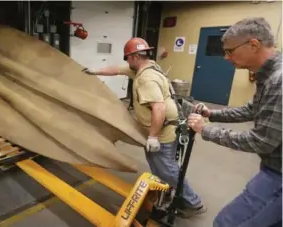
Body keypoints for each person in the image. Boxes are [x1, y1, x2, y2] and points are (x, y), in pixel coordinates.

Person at [83, 37, 206, 218]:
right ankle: (166, 194)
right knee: (161, 167)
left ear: (134, 57)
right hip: (168, 127)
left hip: (163, 132)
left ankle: (192, 202)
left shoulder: (146, 78)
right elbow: (117, 70)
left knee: (166, 169)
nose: (126, 62)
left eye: (127, 58)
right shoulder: (147, 67)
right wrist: (95, 71)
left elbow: (159, 108)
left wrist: (153, 137)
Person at [187, 17, 282, 227]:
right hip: (273, 166)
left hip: (278, 174)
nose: (226, 57)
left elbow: (261, 141)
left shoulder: (279, 80)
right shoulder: (267, 75)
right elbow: (253, 109)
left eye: (230, 51)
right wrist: (212, 114)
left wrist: (205, 129)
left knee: (226, 223)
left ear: (253, 45)